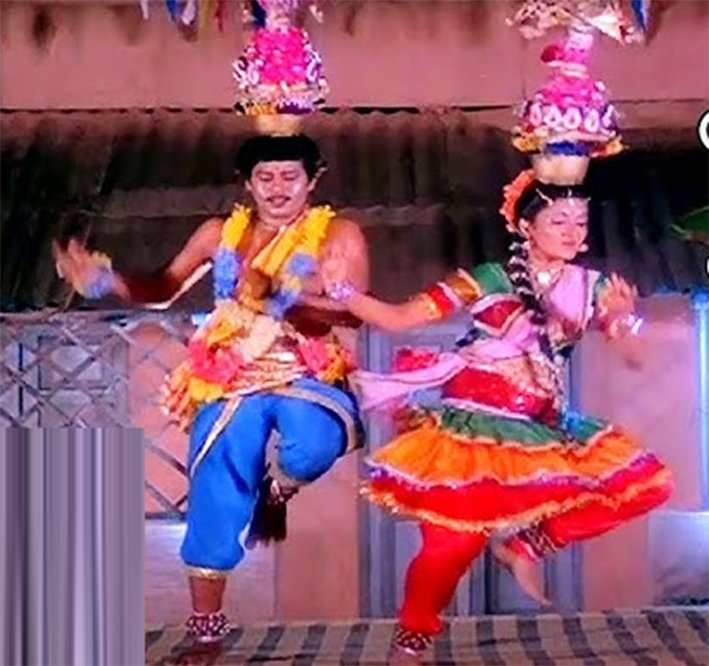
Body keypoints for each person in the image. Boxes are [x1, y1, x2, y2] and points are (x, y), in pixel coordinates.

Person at [321, 168, 673, 663]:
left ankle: (527, 547)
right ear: (527, 227)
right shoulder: (489, 278)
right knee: (452, 547)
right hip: (469, 431)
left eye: (580, 221)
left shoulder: (590, 287)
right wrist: (342, 294)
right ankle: (411, 644)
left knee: (647, 485)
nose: (573, 232)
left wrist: (621, 318)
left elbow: (634, 358)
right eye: (559, 221)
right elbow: (400, 319)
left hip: (540, 430)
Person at [52, 133, 369, 644]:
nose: (278, 188)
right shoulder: (220, 234)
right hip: (229, 375)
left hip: (305, 369)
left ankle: (277, 488)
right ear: (247, 183)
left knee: (313, 442)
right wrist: (108, 282)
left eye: (290, 176)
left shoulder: (339, 234)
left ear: (313, 180)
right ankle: (206, 633)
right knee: (215, 498)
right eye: (265, 177)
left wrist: (284, 296)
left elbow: (352, 312)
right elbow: (164, 287)